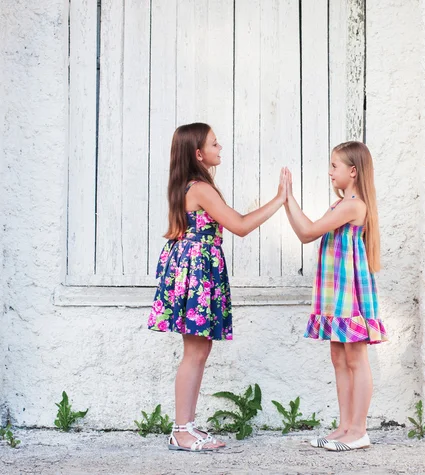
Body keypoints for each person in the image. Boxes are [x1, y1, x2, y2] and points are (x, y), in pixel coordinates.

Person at [148, 122, 287, 451]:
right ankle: (181, 430)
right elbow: (239, 225)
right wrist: (279, 200)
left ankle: (187, 426)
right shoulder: (199, 187)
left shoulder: (190, 185)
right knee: (194, 352)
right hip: (197, 270)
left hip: (195, 267)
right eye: (214, 143)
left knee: (199, 350)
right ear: (198, 154)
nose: (220, 147)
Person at [282, 141, 387, 451]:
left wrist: (288, 199)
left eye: (334, 166)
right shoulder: (340, 204)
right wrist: (287, 201)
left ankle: (359, 429)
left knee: (356, 358)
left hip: (350, 293)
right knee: (339, 358)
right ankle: (344, 427)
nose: (329, 172)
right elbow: (308, 232)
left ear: (352, 172)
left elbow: (308, 231)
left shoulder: (353, 205)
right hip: (335, 292)